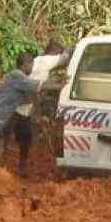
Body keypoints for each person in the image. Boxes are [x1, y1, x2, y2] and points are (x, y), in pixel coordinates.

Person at [13, 39, 70, 176]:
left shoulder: (38, 62)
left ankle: (23, 164)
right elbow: (65, 57)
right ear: (54, 53)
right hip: (23, 108)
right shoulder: (46, 61)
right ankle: (22, 166)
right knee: (25, 138)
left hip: (24, 106)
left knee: (26, 138)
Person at [0, 52, 42, 172]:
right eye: (31, 65)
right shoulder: (18, 77)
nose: (32, 68)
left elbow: (25, 99)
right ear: (26, 64)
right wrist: (59, 84)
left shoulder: (17, 78)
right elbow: (38, 86)